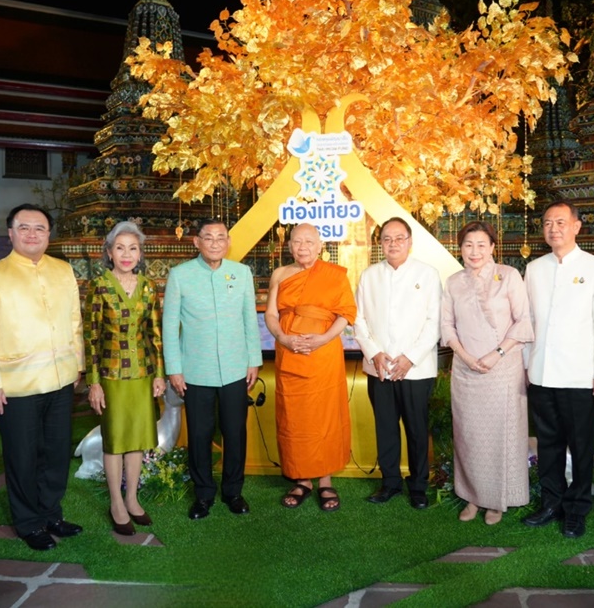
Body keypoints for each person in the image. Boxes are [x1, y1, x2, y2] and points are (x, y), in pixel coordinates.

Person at [0, 204, 84, 551]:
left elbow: (75, 321)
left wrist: (77, 364)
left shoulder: (63, 271)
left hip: (61, 381)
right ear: (11, 233)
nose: (32, 234)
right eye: (25, 228)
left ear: (49, 234)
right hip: (15, 387)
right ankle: (28, 523)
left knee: (57, 453)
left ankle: (51, 514)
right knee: (22, 456)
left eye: (40, 228)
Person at [523, 201, 594, 538]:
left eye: (561, 222)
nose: (553, 229)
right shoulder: (534, 269)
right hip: (542, 372)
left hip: (579, 375)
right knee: (548, 442)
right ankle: (551, 502)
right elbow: (529, 322)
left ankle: (577, 509)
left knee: (580, 445)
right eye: (547, 223)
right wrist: (525, 366)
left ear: (577, 226)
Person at [163, 219, 262, 520]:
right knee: (200, 434)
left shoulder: (241, 273)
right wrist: (174, 369)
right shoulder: (180, 276)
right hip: (195, 370)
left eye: (221, 237)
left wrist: (253, 359)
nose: (215, 243)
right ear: (197, 242)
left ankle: (233, 491)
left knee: (235, 432)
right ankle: (203, 494)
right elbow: (169, 326)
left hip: (235, 368)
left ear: (228, 242)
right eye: (208, 238)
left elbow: (249, 319)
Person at [441, 221, 533, 525]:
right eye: (468, 245)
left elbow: (523, 321)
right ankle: (471, 497)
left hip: (502, 370)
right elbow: (447, 325)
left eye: (481, 245)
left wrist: (497, 354)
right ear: (460, 248)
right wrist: (465, 356)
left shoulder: (508, 276)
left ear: (493, 247)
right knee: (468, 436)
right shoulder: (453, 281)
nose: (475, 251)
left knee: (500, 435)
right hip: (466, 372)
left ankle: (497, 500)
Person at [265, 223, 357, 512]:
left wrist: (323, 339)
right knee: (295, 417)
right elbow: (270, 312)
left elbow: (345, 314)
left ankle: (326, 480)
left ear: (320, 247)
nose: (302, 247)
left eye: (309, 241)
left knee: (325, 416)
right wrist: (282, 337)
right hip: (289, 352)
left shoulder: (335, 275)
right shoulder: (280, 274)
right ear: (289, 245)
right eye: (296, 241)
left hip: (324, 353)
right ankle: (302, 479)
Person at [83, 221, 166, 536]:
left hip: (142, 374)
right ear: (109, 252)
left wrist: (158, 373)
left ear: (140, 253)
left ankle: (132, 498)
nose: (127, 254)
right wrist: (93, 382)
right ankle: (116, 502)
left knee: (138, 439)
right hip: (111, 375)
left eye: (133, 248)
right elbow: (91, 337)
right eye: (120, 248)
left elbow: (154, 334)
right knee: (116, 440)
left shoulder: (147, 286)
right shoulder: (100, 285)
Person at [354, 217, 441, 510]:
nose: (393, 244)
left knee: (417, 429)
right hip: (378, 368)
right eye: (387, 239)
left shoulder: (427, 274)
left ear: (410, 241)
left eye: (399, 238)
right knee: (386, 427)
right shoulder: (369, 276)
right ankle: (390, 482)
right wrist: (374, 352)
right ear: (380, 243)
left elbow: (434, 322)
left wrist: (410, 358)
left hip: (416, 369)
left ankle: (418, 485)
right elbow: (359, 320)